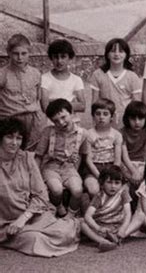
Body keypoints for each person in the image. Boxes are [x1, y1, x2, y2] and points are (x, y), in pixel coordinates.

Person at [0, 117, 80, 257]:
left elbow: (41, 195)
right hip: (5, 222)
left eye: (19, 138)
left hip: (31, 215)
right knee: (35, 240)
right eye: (9, 137)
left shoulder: (26, 159)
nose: (14, 143)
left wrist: (23, 218)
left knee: (63, 233)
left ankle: (74, 225)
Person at [35, 99, 90, 217]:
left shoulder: (83, 133)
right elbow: (38, 155)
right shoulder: (48, 132)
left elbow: (82, 153)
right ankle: (58, 206)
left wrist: (75, 167)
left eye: (63, 117)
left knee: (77, 190)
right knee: (56, 189)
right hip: (51, 167)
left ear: (72, 113)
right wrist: (37, 176)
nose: (61, 122)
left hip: (69, 168)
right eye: (56, 121)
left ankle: (70, 215)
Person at [0, 34, 46, 150]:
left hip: (33, 120)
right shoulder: (2, 74)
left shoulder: (35, 73)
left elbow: (38, 100)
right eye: (16, 53)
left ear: (29, 53)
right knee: (11, 152)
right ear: (9, 53)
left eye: (24, 53)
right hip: (10, 120)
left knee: (30, 153)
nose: (20, 57)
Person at [90, 38, 142, 127]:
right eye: (113, 51)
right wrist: (95, 123)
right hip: (105, 120)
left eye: (121, 51)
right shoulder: (98, 74)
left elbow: (136, 104)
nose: (117, 54)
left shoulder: (132, 76)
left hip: (126, 122)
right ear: (107, 54)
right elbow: (94, 102)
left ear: (126, 55)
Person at [80, 166, 132, 252]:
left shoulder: (123, 193)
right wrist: (98, 228)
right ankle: (103, 241)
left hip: (118, 226)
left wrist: (123, 228)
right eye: (109, 182)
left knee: (139, 216)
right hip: (102, 227)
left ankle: (117, 237)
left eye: (117, 183)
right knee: (81, 223)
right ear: (102, 183)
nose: (113, 186)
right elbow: (88, 216)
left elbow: (128, 213)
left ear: (121, 184)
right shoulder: (99, 196)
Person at [84, 99, 122, 197]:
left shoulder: (116, 135)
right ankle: (95, 209)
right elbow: (88, 160)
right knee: (93, 190)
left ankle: (111, 209)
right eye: (98, 114)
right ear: (93, 116)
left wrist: (111, 175)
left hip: (111, 168)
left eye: (105, 114)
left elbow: (117, 160)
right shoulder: (88, 134)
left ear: (111, 117)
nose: (101, 117)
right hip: (93, 168)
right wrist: (100, 177)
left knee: (117, 188)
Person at [40, 39, 85, 114]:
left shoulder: (76, 80)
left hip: (72, 122)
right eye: (55, 57)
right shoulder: (44, 78)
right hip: (52, 122)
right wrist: (70, 103)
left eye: (63, 57)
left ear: (70, 58)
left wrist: (53, 102)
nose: (59, 61)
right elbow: (45, 107)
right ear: (51, 58)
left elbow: (82, 106)